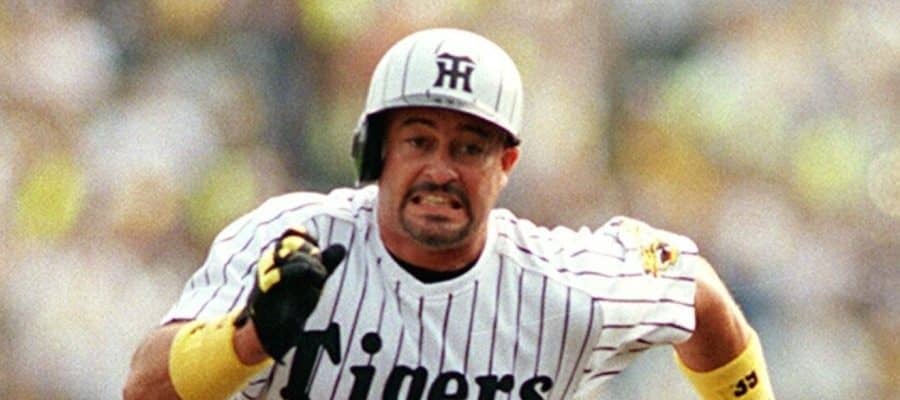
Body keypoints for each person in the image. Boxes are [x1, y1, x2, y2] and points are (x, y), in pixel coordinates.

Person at [123, 28, 774, 400]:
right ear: (376, 149)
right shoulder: (295, 240)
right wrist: (247, 341)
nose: (441, 169)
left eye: (468, 148)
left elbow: (696, 292)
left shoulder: (563, 289)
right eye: (419, 140)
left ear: (506, 164)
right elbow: (144, 389)